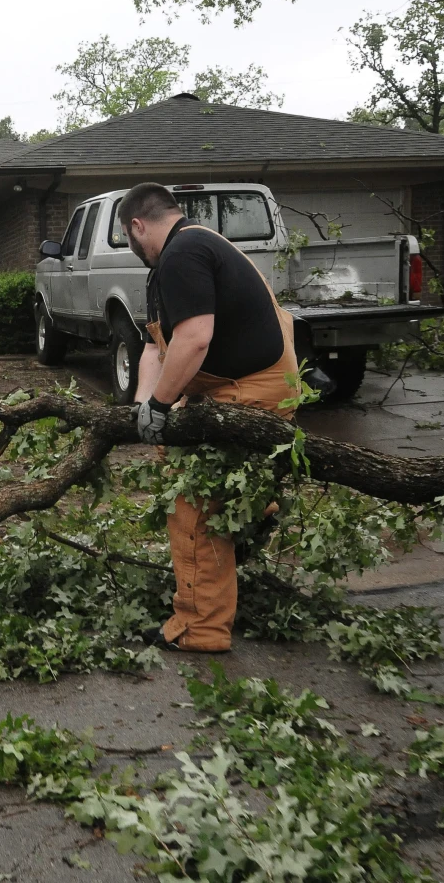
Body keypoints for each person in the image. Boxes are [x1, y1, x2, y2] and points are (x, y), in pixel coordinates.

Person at [120, 182, 299, 653]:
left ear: (138, 225)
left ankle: (201, 629)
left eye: (129, 238)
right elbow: (155, 346)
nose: (133, 249)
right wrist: (142, 407)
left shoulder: (184, 254)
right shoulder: (187, 252)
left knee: (194, 503)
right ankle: (257, 504)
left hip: (251, 391)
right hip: (229, 386)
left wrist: (161, 406)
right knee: (170, 446)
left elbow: (195, 339)